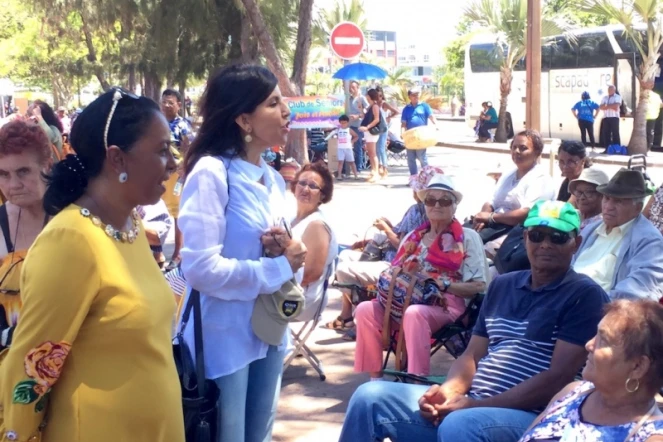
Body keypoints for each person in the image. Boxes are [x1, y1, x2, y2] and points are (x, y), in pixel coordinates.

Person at [338, 200, 609, 442]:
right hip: (473, 406)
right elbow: (472, 355)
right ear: (525, 238)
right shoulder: (503, 285)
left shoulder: (584, 295)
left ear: (576, 243)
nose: (546, 244)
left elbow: (556, 378)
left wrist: (474, 406)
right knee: (369, 398)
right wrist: (447, 392)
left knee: (460, 424)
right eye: (537, 235)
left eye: (558, 237)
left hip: (530, 416)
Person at [0, 88, 183, 441]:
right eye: (161, 150)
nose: (173, 162)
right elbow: (30, 368)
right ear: (117, 159)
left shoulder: (127, 226)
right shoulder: (71, 240)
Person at [177, 64, 307, 442]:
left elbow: (285, 261)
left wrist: (286, 255)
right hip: (224, 338)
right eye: (273, 102)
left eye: (283, 101)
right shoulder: (212, 173)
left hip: (268, 329)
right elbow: (200, 268)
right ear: (243, 119)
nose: (287, 112)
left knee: (259, 434)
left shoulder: (274, 179)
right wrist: (278, 267)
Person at [354, 174, 488, 378]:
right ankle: (375, 378)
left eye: (444, 200)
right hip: (401, 302)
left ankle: (416, 380)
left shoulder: (468, 238)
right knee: (365, 309)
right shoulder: (412, 237)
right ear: (424, 204)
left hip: (447, 306)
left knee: (415, 313)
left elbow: (479, 286)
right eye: (430, 200)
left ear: (455, 206)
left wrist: (440, 283)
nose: (437, 205)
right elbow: (395, 271)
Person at [519, 299, 663, 441]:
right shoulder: (572, 393)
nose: (588, 344)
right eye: (596, 334)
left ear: (637, 366)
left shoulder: (652, 437)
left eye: (604, 340)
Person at [326, 166, 442, 338]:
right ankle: (347, 314)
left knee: (344, 270)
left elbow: (403, 246)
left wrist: (386, 229)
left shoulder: (417, 211)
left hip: (395, 265)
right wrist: (388, 226)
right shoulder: (422, 211)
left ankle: (356, 316)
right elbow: (406, 237)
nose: (413, 192)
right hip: (393, 258)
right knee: (344, 256)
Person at [0, 120, 52, 351]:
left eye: (23, 171)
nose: (13, 185)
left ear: (47, 166)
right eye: (3, 174)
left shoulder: (75, 218)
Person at [573, 168, 663, 300]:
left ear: (637, 208)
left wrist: (592, 305)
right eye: (607, 198)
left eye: (618, 201)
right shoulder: (591, 230)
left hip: (602, 311)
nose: (608, 206)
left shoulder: (649, 241)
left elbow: (639, 290)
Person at [469, 129, 555, 254]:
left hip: (516, 231)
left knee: (478, 250)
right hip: (494, 224)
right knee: (459, 236)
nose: (516, 152)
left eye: (523, 148)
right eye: (514, 147)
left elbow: (527, 213)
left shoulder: (541, 178)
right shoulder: (508, 174)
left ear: (537, 152)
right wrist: (483, 217)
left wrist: (492, 217)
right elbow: (491, 201)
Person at [290, 162, 338, 321]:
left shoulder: (317, 225)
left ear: (322, 195)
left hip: (301, 299)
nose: (305, 189)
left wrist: (268, 285)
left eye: (313, 186)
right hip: (285, 290)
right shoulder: (291, 219)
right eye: (302, 183)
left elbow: (310, 275)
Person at [160, 88, 193, 270]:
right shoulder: (159, 123)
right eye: (164, 102)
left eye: (170, 102)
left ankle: (178, 253)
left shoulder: (183, 126)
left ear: (179, 105)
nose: (166, 105)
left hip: (176, 176)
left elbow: (190, 149)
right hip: (159, 173)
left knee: (177, 214)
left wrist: (184, 169)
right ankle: (157, 251)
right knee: (160, 210)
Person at [401, 87, 438, 176]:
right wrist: (402, 133)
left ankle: (427, 176)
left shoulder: (424, 106)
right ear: (409, 96)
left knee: (422, 157)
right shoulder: (406, 109)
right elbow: (403, 124)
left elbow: (431, 117)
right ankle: (414, 178)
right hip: (410, 136)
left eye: (417, 95)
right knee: (411, 158)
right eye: (413, 95)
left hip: (421, 135)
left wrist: (436, 125)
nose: (416, 97)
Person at [359, 89, 384, 183]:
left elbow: (377, 119)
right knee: (370, 153)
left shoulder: (375, 106)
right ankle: (373, 171)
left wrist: (367, 127)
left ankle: (376, 172)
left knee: (372, 153)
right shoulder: (370, 106)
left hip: (371, 132)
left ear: (370, 96)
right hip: (368, 132)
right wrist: (360, 109)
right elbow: (365, 117)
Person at [375, 86, 399, 179]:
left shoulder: (384, 104)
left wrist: (389, 117)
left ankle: (384, 168)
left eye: (380, 96)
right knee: (377, 149)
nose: (379, 98)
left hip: (383, 128)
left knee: (381, 148)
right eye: (377, 96)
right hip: (376, 128)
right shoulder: (375, 105)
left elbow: (396, 111)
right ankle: (379, 167)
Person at [326, 115, 358, 181]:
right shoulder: (338, 130)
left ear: (347, 122)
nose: (343, 124)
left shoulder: (349, 130)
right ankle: (339, 175)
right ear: (340, 122)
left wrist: (352, 141)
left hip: (348, 148)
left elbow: (356, 136)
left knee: (351, 162)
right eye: (342, 123)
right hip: (340, 148)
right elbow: (331, 133)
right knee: (340, 162)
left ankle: (356, 175)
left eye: (345, 123)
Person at [349, 80, 369, 172]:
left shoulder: (361, 99)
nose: (351, 89)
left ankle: (358, 167)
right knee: (347, 146)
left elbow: (368, 111)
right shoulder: (347, 99)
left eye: (353, 87)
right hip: (347, 126)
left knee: (358, 147)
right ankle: (348, 168)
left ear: (358, 88)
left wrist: (358, 116)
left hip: (358, 125)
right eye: (350, 87)